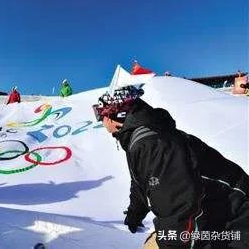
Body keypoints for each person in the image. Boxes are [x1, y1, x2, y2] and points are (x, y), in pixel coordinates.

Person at [93, 86, 249, 249]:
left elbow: (179, 208)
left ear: (111, 116)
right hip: (214, 212)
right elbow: (143, 181)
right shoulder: (142, 138)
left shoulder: (152, 144)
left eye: (99, 113)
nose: (100, 120)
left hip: (234, 219)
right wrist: (135, 212)